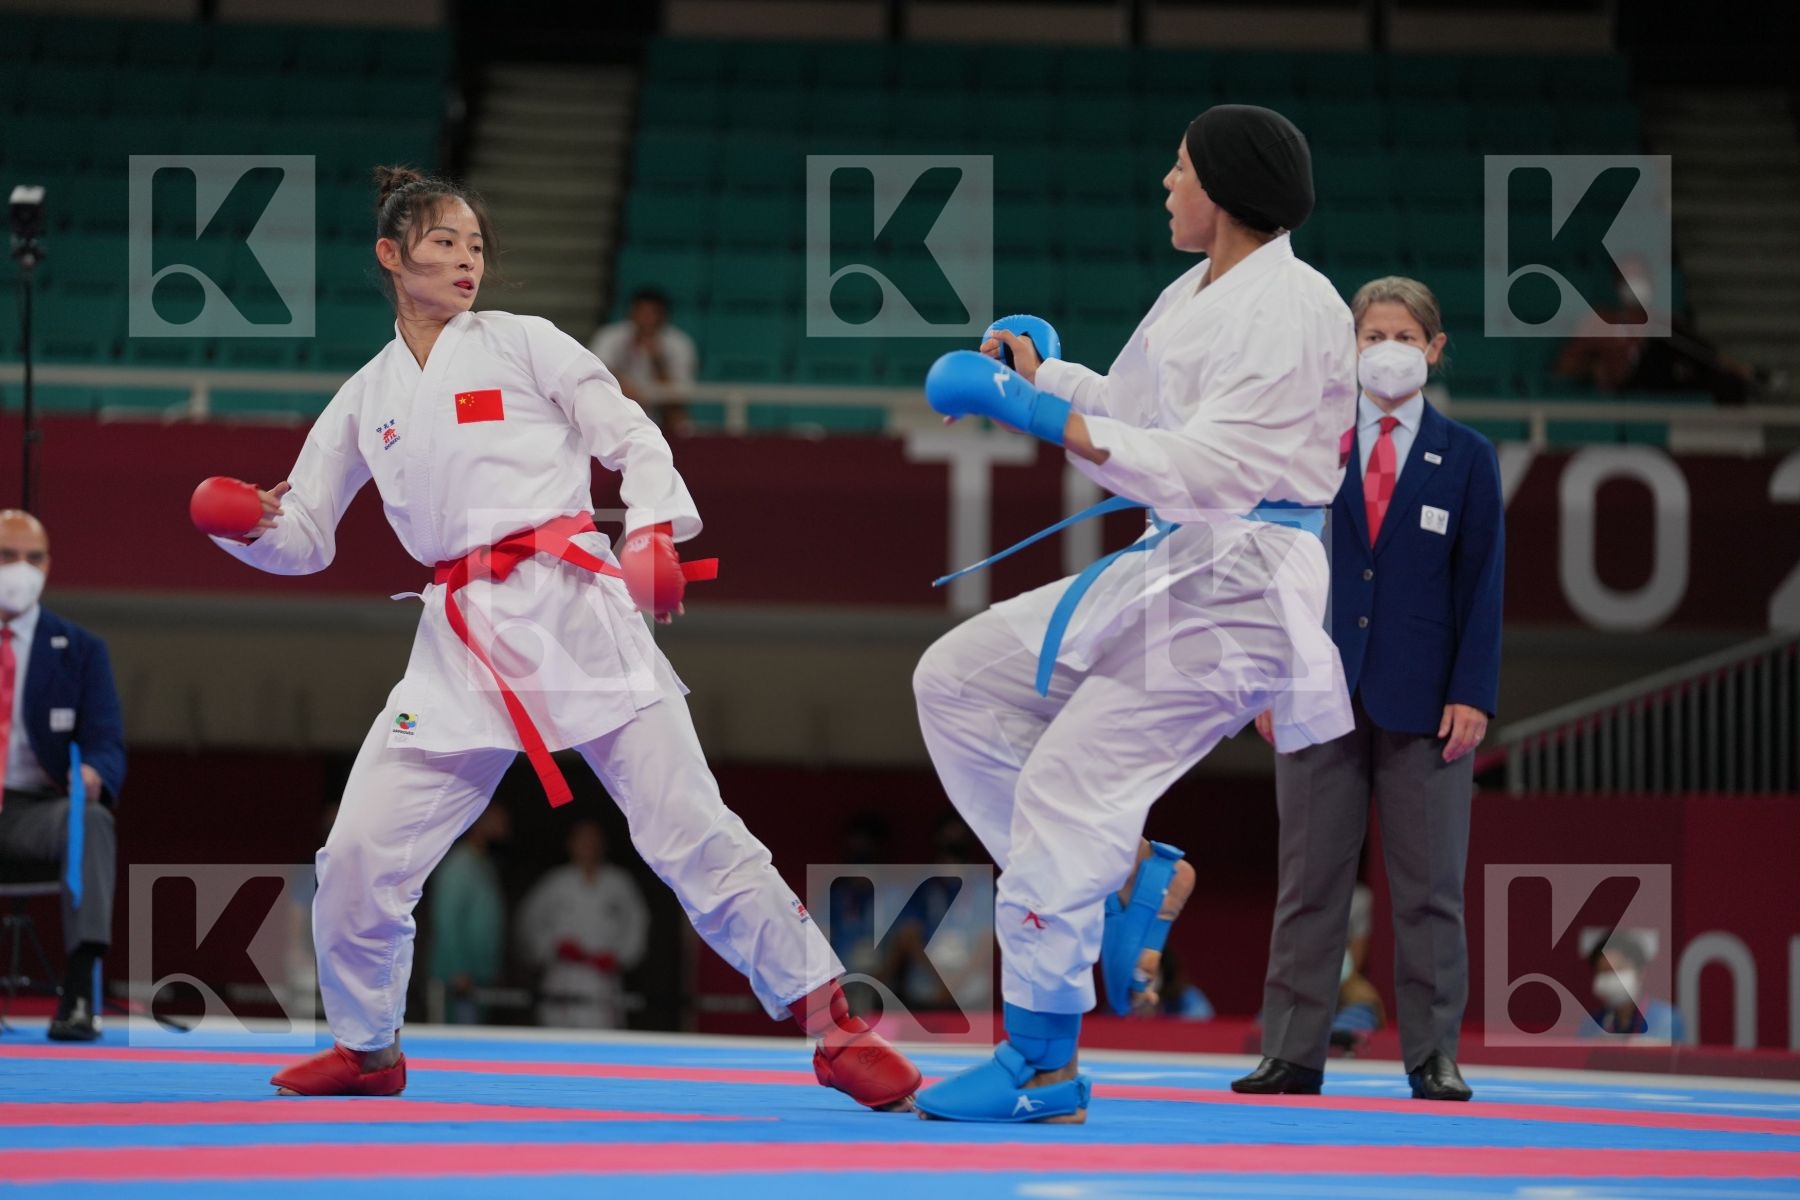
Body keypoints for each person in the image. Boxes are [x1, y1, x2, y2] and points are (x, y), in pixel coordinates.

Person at [189, 165, 919, 1109]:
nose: (465, 261)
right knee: (359, 856)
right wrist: (246, 526)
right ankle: (368, 1048)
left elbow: (633, 434)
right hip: (458, 646)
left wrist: (650, 527)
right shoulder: (365, 398)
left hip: (574, 611)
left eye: (476, 246)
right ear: (390, 255)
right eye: (444, 243)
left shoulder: (526, 343)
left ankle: (834, 1023)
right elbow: (307, 540)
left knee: (691, 830)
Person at [909, 105, 1355, 1123]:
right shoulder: (1195, 290)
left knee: (1072, 783)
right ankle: (1121, 883)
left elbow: (1211, 469)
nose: (1165, 182)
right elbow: (1133, 414)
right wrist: (1043, 374)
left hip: (1241, 585)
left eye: (1182, 167)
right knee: (957, 681)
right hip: (1172, 565)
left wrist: (1037, 416)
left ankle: (1041, 1063)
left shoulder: (1295, 309)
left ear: (1228, 190)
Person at [1237, 275, 1504, 1103]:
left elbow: (1483, 585)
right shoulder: (1308, 444)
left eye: (1402, 335)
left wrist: (1474, 692)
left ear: (1433, 348)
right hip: (1315, 690)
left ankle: (1433, 1056)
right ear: (1348, 348)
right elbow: (1266, 570)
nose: (1385, 349)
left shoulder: (1466, 459)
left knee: (1429, 892)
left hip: (1426, 703)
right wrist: (1263, 680)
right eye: (1371, 335)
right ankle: (1292, 1051)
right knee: (1309, 883)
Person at [0, 510, 126, 1042]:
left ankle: (77, 991)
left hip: (35, 809)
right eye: (7, 557)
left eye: (32, 558)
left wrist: (95, 772)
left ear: (48, 565)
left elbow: (106, 742)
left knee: (91, 822)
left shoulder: (79, 650)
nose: (21, 569)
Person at [515, 818, 648, 1029]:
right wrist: (551, 947)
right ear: (570, 844)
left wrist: (620, 958)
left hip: (603, 981)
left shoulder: (620, 883)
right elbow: (529, 922)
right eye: (582, 840)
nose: (588, 845)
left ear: (603, 845)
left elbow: (637, 925)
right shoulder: (555, 882)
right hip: (562, 976)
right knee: (556, 1042)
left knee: (602, 1045)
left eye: (593, 840)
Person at [425, 802, 510, 1025]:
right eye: (496, 817)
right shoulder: (458, 865)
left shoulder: (485, 864)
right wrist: (458, 969)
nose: (504, 824)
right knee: (454, 1047)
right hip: (458, 980)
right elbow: (446, 921)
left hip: (479, 975)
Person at [589, 288, 697, 433]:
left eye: (652, 314)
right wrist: (623, 386)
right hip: (617, 403)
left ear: (663, 316)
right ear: (631, 314)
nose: (646, 320)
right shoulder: (610, 336)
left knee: (680, 420)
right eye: (642, 313)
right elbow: (595, 370)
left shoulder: (679, 343)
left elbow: (679, 395)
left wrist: (657, 361)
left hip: (661, 410)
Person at [1580, 931, 1686, 1041]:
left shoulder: (1667, 1019)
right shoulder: (1590, 1026)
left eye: (1620, 968)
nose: (1613, 976)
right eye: (1605, 971)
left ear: (1640, 972)